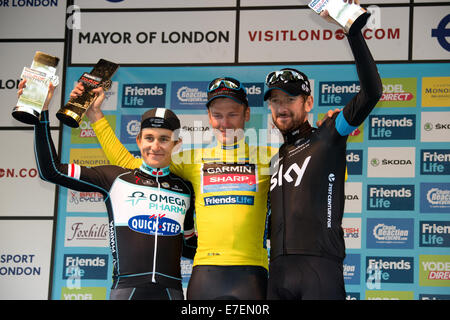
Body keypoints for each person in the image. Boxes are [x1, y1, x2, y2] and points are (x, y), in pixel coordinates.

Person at [75, 78, 276, 299]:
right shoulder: (193, 159)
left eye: (233, 114)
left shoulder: (269, 157)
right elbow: (131, 164)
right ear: (209, 117)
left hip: (251, 273)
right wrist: (96, 117)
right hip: (205, 273)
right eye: (217, 115)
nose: (224, 123)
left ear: (247, 114)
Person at [20, 79, 196, 300]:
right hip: (127, 291)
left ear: (176, 144)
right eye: (149, 138)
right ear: (139, 140)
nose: (156, 146)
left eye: (164, 139)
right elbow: (51, 170)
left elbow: (190, 245)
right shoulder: (115, 178)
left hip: (172, 293)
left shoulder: (184, 188)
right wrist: (41, 111)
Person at [264, 0, 383, 300]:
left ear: (307, 103)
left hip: (320, 270)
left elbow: (372, 93)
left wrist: (352, 32)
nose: (281, 108)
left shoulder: (330, 134)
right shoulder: (275, 160)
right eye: (275, 101)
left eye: (290, 99)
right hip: (277, 272)